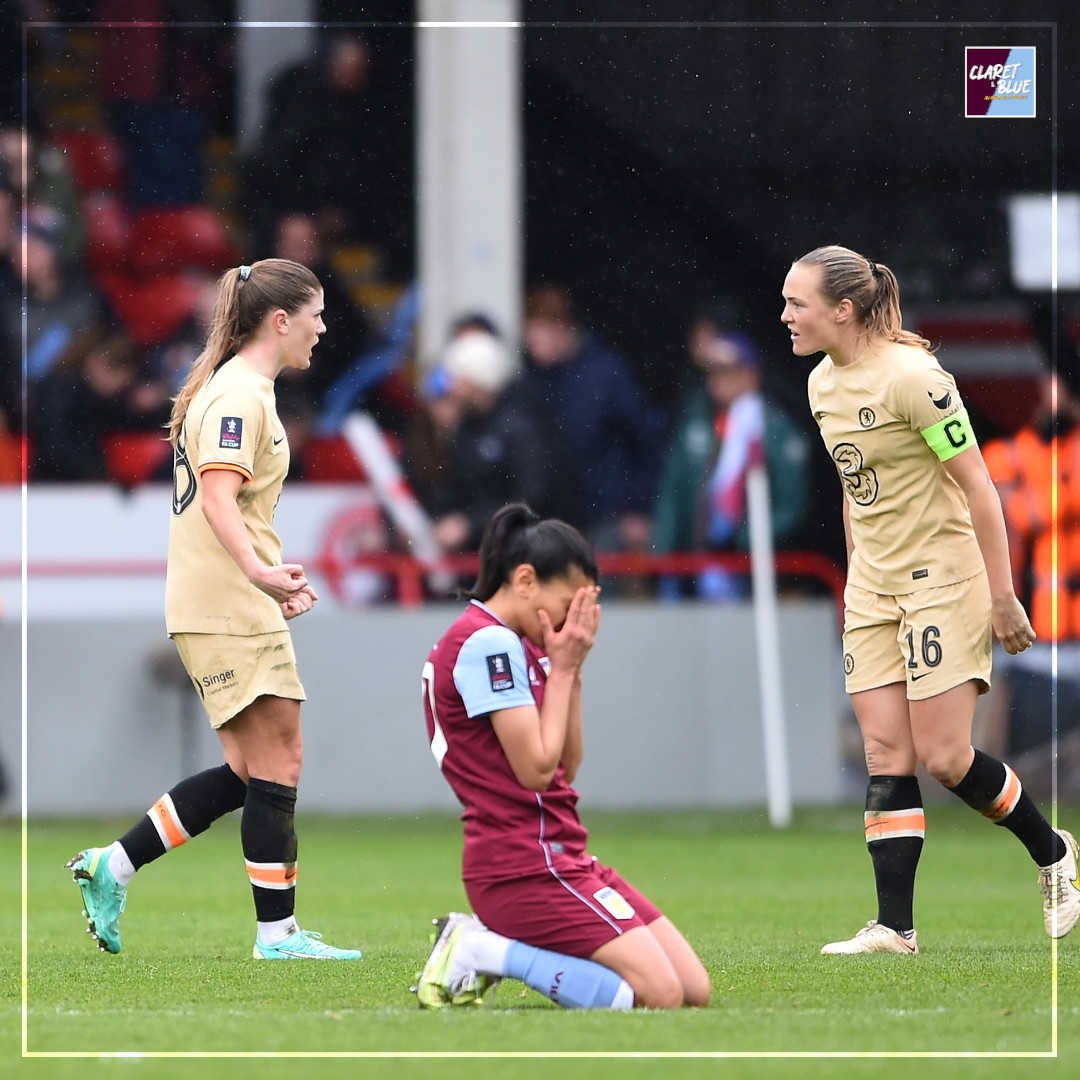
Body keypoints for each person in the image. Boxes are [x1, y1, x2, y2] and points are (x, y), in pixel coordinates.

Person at [781, 244, 1079, 953]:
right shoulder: (822, 384)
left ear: (843, 310)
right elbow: (860, 494)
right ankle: (894, 926)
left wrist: (1004, 596)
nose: (786, 315)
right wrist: (859, 580)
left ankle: (1054, 854)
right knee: (886, 751)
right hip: (875, 589)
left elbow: (980, 487)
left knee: (945, 758)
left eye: (798, 303)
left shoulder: (916, 378)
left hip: (944, 579)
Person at [67, 259, 362, 961]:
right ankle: (277, 937)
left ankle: (113, 866)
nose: (324, 328)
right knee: (279, 759)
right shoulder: (238, 396)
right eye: (316, 314)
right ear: (281, 320)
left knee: (247, 770)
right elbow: (218, 499)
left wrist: (271, 575)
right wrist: (262, 572)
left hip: (226, 599)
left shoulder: (242, 389)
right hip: (226, 602)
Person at [413, 503, 711, 1010]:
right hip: (519, 866)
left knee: (693, 990)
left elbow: (566, 765)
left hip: (560, 855)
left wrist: (569, 668)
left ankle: (492, 947)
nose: (576, 619)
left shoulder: (519, 643)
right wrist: (565, 671)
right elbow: (535, 770)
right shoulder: (488, 642)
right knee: (660, 995)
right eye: (570, 602)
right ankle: (481, 949)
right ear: (524, 580)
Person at [653, 312, 810, 601]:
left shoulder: (774, 428)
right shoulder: (696, 420)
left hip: (754, 569)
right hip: (694, 563)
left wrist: (745, 539)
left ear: (751, 374)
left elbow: (793, 504)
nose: (716, 380)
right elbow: (672, 493)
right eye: (711, 371)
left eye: (727, 370)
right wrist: (662, 556)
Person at [981, 372, 1080, 790]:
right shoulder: (1015, 452)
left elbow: (1033, 513)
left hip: (1061, 623)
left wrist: (1017, 502)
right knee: (1003, 702)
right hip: (1035, 620)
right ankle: (992, 786)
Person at [521, 283, 664, 549]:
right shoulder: (532, 380)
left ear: (562, 328)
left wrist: (638, 508)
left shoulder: (607, 374)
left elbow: (642, 441)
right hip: (555, 521)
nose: (531, 344)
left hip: (606, 516)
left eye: (537, 333)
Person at [405, 325, 550, 553]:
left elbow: (531, 497)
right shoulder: (461, 427)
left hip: (510, 556)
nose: (451, 386)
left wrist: (470, 525)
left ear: (479, 383)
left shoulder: (517, 429)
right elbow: (443, 486)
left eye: (459, 379)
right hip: (468, 560)